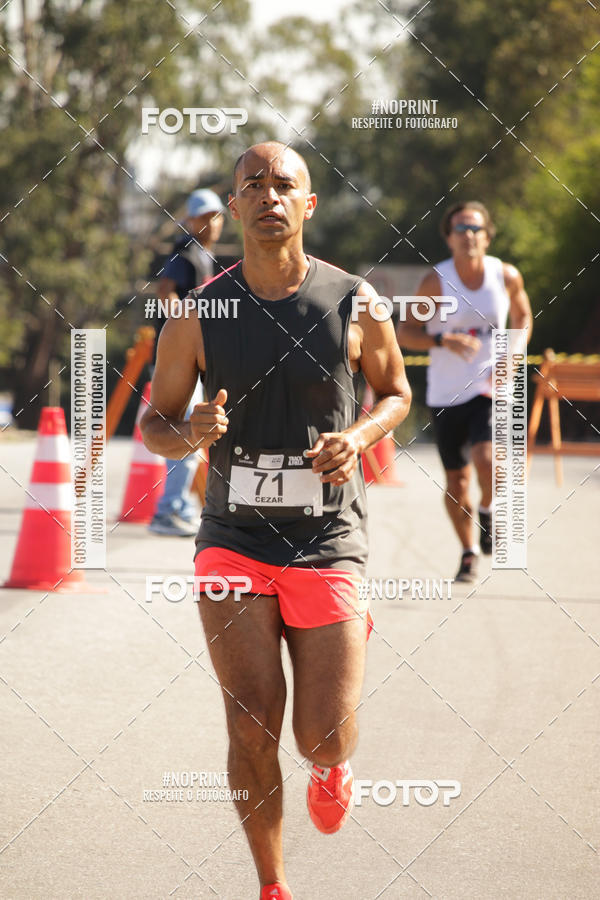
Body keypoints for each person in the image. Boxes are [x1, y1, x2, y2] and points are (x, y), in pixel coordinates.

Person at [140, 141, 411, 899]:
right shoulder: (199, 315)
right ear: (233, 206)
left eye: (283, 184)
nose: (268, 195)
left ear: (308, 204)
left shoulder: (355, 298)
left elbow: (395, 393)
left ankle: (334, 765)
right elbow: (154, 423)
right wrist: (189, 431)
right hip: (233, 542)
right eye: (252, 184)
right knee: (251, 725)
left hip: (328, 543)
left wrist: (356, 438)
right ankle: (273, 884)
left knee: (319, 731)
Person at [397, 201, 532, 582]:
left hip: (489, 386)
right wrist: (443, 340)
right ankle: (469, 550)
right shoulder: (435, 282)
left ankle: (488, 510)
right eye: (460, 229)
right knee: (456, 482)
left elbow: (522, 316)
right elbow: (405, 332)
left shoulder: (505, 276)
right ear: (448, 237)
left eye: (475, 228)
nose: (468, 235)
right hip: (446, 394)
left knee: (487, 458)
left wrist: (515, 352)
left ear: (487, 237)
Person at [149, 188, 224, 537]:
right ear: (190, 220)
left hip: (195, 360)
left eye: (216, 216)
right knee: (186, 434)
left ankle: (180, 505)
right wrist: (185, 332)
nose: (211, 223)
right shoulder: (186, 252)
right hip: (182, 363)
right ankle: (170, 510)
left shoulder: (203, 254)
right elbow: (165, 291)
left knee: (193, 436)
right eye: (204, 217)